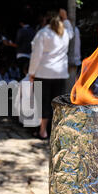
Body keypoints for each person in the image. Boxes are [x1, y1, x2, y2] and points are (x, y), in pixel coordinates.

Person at [29, 11, 74, 140]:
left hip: (43, 72)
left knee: (42, 102)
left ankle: (42, 131)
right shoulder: (64, 33)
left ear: (46, 20)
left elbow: (36, 56)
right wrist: (66, 19)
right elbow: (71, 32)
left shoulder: (42, 33)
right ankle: (55, 132)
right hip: (60, 73)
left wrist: (32, 72)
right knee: (56, 104)